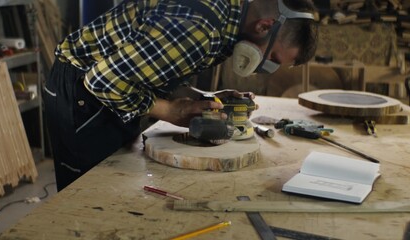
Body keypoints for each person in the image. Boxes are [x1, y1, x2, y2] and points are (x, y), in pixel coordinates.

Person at [43, 0, 319, 191]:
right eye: (271, 58)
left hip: (112, 90)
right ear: (264, 26)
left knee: (113, 185)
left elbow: (155, 69)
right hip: (81, 93)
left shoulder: (229, 20)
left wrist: (204, 96)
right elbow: (103, 81)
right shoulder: (201, 28)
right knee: (88, 199)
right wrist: (168, 111)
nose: (263, 65)